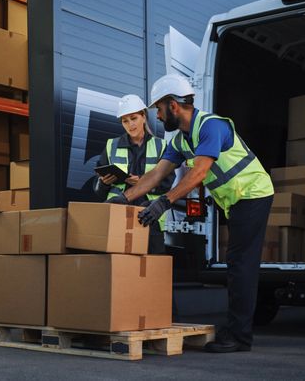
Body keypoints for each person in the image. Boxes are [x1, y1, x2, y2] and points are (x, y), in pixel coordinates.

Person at [106, 74, 274, 353]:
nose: (157, 116)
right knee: (237, 264)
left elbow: (200, 172)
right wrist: (123, 200)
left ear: (173, 105)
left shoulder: (211, 126)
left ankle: (239, 337)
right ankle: (236, 329)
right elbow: (156, 174)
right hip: (235, 200)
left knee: (240, 265)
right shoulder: (181, 140)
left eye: (158, 109)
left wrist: (164, 202)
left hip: (254, 194)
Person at [94, 94, 175, 254]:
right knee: (120, 266)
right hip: (119, 215)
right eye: (125, 121)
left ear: (143, 117)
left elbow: (167, 182)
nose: (130, 124)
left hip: (150, 216)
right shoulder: (111, 146)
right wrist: (104, 183)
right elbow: (98, 191)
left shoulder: (161, 145)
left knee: (153, 266)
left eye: (134, 118)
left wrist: (142, 183)